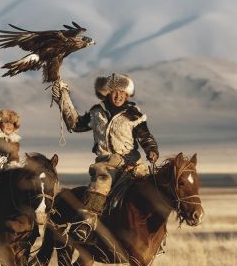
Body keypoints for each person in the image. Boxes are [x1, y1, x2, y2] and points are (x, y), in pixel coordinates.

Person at [52, 73, 159, 230]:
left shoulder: (134, 115)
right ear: (108, 93)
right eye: (114, 91)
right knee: (101, 183)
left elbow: (145, 137)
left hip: (131, 163)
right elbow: (76, 124)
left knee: (150, 189)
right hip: (106, 164)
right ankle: (86, 223)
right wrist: (63, 98)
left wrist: (152, 151)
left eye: (122, 92)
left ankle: (155, 229)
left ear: (127, 94)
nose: (118, 96)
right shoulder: (97, 112)